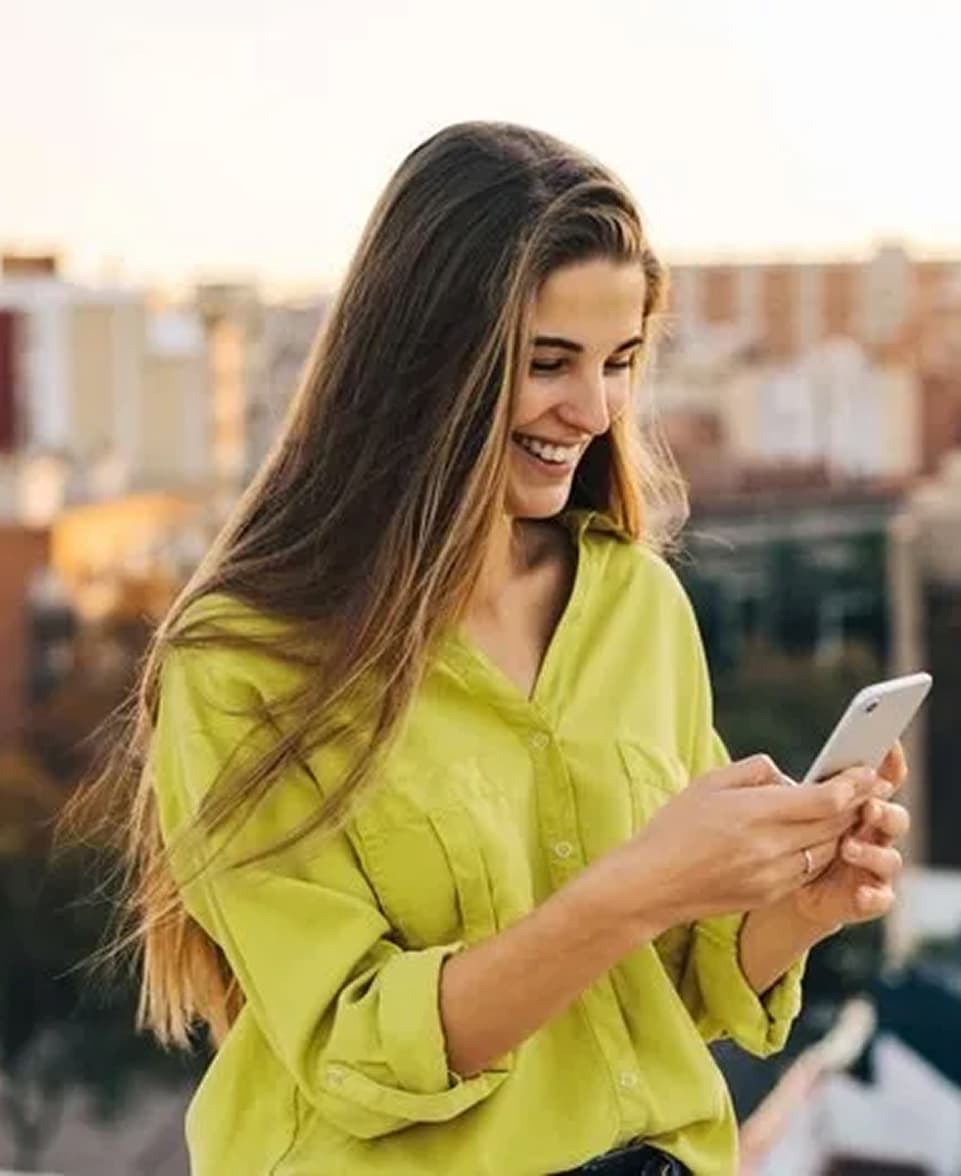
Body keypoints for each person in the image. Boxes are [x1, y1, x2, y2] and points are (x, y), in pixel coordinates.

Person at [75, 122, 910, 1176]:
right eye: (547, 362)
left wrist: (794, 908)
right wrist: (640, 883)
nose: (593, 408)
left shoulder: (637, 606)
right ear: (426, 364)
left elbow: (666, 989)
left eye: (619, 362)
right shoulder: (243, 662)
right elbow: (355, 1051)